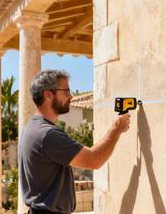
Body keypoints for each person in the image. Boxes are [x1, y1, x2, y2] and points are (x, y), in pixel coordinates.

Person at [19, 70, 131, 214]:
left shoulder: (31, 128)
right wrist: (117, 129)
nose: (71, 96)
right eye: (66, 91)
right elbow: (94, 160)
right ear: (48, 94)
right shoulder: (48, 134)